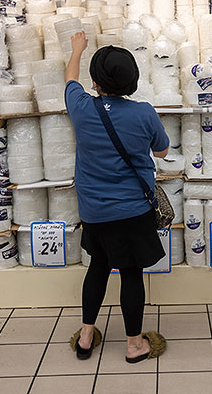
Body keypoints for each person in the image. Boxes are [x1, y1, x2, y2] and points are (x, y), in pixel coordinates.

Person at [64, 31, 169, 363]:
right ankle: (134, 345)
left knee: (97, 267)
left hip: (94, 211)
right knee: (131, 273)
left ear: (95, 82)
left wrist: (77, 50)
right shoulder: (144, 113)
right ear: (132, 81)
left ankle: (85, 337)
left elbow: (70, 79)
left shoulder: (81, 107)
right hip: (133, 210)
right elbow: (162, 151)